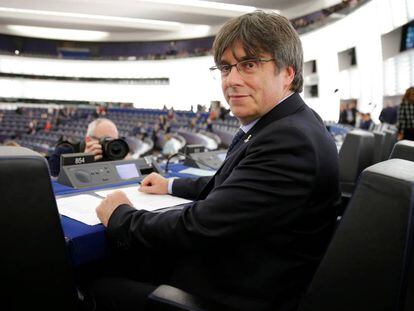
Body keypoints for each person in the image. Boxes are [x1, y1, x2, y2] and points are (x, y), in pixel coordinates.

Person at [93, 11, 340, 311]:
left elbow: (199, 226)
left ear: (287, 73)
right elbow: (238, 188)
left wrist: (121, 216)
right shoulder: (291, 122)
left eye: (248, 65)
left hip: (234, 295)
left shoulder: (289, 140)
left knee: (98, 284)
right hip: (242, 273)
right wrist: (170, 184)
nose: (231, 80)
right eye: (225, 68)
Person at [48, 118, 119, 176]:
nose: (111, 146)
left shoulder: (114, 154)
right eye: (106, 141)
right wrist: (83, 161)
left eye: (114, 141)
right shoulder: (64, 152)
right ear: (88, 140)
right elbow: (52, 184)